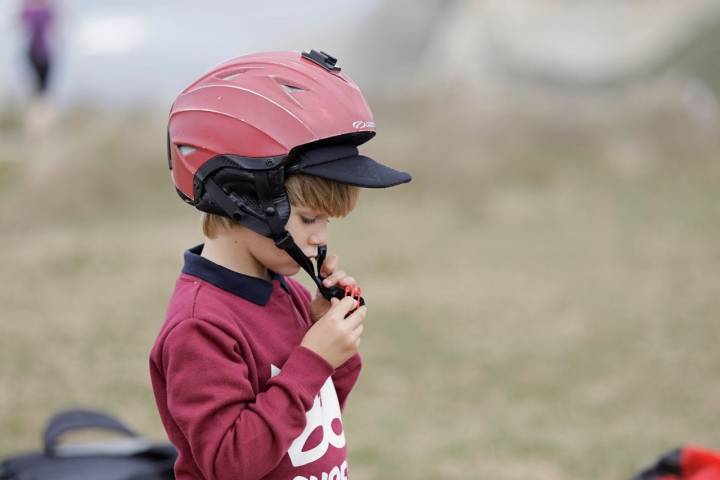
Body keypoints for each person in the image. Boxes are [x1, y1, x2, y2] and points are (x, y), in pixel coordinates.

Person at [149, 50, 411, 480]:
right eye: (310, 218)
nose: (321, 236)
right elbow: (232, 463)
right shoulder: (200, 325)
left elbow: (312, 426)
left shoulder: (282, 287)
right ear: (242, 197)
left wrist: (327, 342)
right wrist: (313, 358)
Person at [20, 0, 55, 96]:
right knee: (36, 82)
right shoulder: (29, 11)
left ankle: (41, 99)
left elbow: (53, 29)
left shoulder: (47, 12)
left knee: (43, 84)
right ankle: (37, 97)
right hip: (33, 50)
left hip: (45, 52)